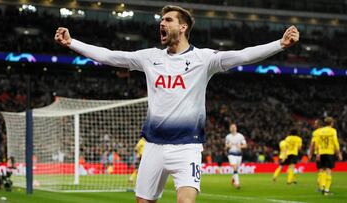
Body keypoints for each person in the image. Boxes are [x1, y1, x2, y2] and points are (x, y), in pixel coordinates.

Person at [55, 5, 299, 203]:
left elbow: (243, 54)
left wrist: (280, 44)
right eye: (162, 20)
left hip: (187, 147)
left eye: (168, 20)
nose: (162, 23)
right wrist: (72, 43)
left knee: (185, 201)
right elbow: (109, 56)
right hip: (153, 146)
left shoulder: (204, 59)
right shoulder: (150, 57)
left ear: (183, 27)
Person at [315, 117, 343, 195]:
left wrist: (318, 153)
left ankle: (322, 186)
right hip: (329, 152)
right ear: (332, 123)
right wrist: (339, 153)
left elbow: (318, 144)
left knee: (323, 169)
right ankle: (327, 190)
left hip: (321, 152)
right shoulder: (333, 131)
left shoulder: (320, 131)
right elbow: (335, 142)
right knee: (329, 170)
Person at [225, 123, 247, 189]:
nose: (232, 128)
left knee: (236, 169)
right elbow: (226, 146)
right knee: (234, 168)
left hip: (239, 154)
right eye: (231, 127)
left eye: (234, 127)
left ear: (236, 128)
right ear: (230, 129)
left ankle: (233, 179)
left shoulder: (240, 136)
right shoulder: (228, 137)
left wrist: (240, 146)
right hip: (231, 154)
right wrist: (228, 146)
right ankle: (237, 183)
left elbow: (245, 145)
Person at [307, 119, 324, 191]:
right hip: (328, 152)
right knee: (326, 170)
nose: (314, 125)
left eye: (315, 123)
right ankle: (324, 186)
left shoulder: (315, 133)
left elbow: (312, 144)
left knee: (321, 169)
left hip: (319, 153)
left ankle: (321, 186)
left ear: (319, 124)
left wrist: (310, 154)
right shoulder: (327, 131)